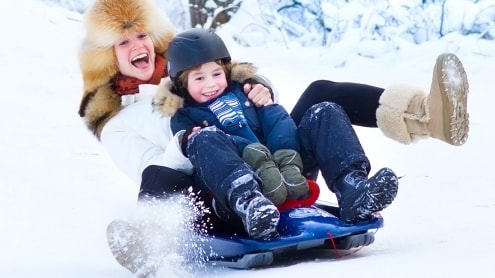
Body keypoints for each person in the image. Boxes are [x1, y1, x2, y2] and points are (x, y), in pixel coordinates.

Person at [77, 0, 469, 271]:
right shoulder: (118, 124)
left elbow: (263, 118)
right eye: (122, 41)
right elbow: (156, 172)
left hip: (277, 168)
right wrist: (191, 139)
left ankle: (424, 119)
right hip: (220, 192)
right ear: (106, 56)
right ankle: (150, 245)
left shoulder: (199, 72)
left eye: (141, 35)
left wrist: (255, 91)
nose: (136, 46)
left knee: (320, 97)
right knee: (158, 175)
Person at [153, 28, 400, 239]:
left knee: (324, 111)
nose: (211, 84)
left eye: (216, 74)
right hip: (238, 190)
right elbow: (206, 159)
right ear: (182, 84)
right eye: (199, 78)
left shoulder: (247, 91)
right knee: (205, 139)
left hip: (288, 170)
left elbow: (280, 125)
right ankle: (250, 205)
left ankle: (353, 188)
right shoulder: (184, 118)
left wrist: (270, 111)